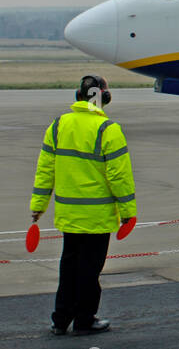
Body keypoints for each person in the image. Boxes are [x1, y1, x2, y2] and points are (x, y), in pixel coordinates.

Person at [31, 75, 136, 335]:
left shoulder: (58, 126)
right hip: (97, 215)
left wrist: (38, 205)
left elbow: (45, 170)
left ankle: (60, 319)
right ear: (101, 96)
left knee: (68, 266)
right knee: (90, 270)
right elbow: (119, 177)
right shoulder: (108, 129)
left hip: (69, 213)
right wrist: (128, 213)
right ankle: (84, 320)